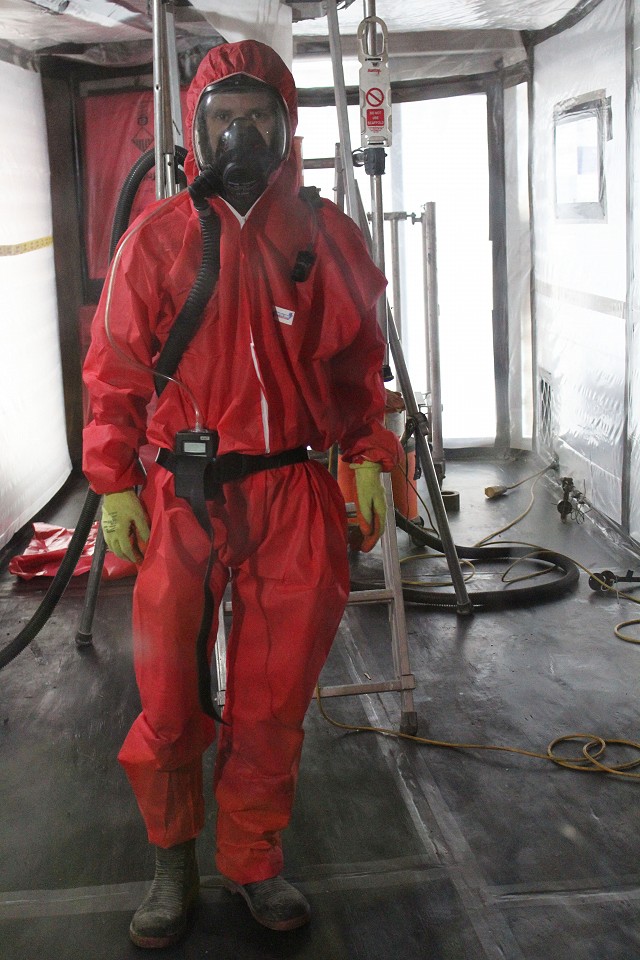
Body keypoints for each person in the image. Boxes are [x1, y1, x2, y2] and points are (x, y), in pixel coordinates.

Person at [82, 38, 401, 949]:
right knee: (169, 694)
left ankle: (254, 862)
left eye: (260, 113)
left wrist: (368, 452)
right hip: (182, 495)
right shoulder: (158, 239)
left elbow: (357, 367)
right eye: (225, 115)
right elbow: (114, 372)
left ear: (288, 123)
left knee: (270, 699)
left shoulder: (326, 236)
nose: (243, 130)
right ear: (196, 127)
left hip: (293, 495)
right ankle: (172, 864)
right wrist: (112, 480)